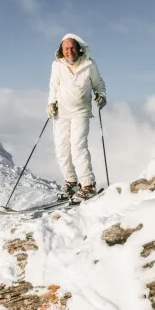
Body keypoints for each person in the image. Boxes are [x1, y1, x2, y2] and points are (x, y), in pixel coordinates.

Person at [46, 33, 107, 202]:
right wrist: (51, 103)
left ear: (79, 48)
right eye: (66, 48)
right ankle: (71, 183)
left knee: (77, 147)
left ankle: (88, 185)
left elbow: (99, 84)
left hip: (81, 111)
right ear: (61, 50)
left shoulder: (89, 64)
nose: (69, 51)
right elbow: (53, 86)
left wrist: (101, 96)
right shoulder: (57, 65)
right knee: (61, 148)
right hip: (61, 113)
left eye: (72, 47)